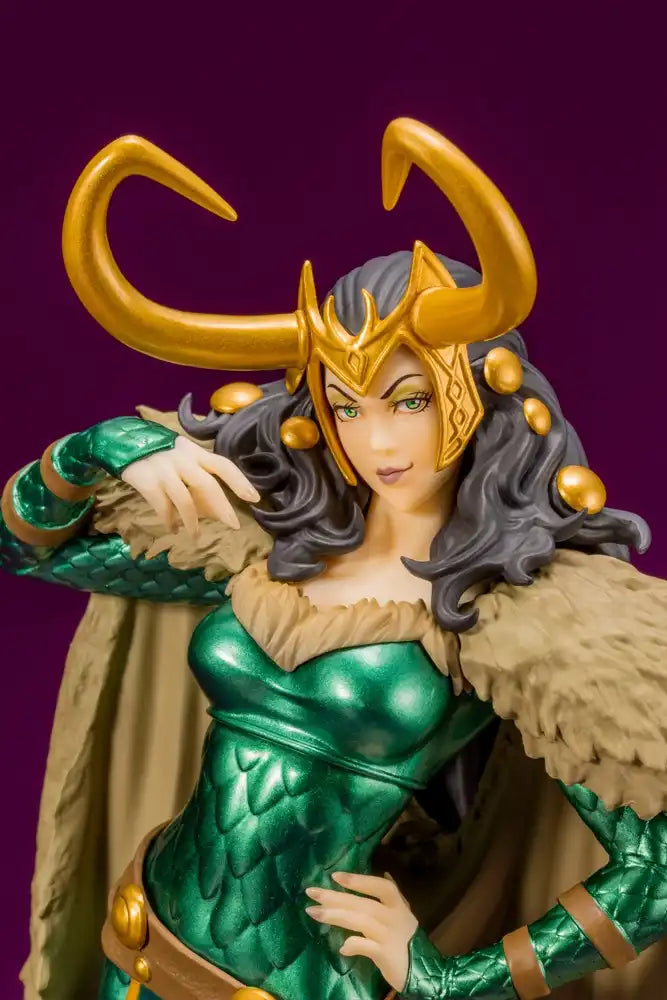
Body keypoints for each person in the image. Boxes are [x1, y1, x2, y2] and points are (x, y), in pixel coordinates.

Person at [3, 118, 667, 1000]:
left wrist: (449, 980)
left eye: (408, 399)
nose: (376, 441)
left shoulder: (515, 609)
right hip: (137, 950)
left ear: (477, 393)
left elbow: (657, 867)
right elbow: (31, 551)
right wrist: (96, 450)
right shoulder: (268, 546)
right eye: (346, 407)